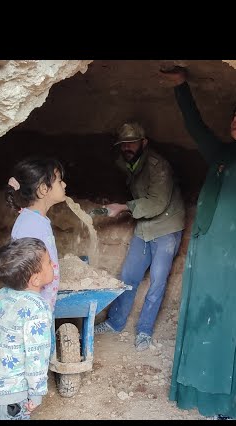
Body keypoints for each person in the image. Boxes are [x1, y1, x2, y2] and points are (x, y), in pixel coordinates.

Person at [160, 66, 236, 420]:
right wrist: (182, 88)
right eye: (235, 114)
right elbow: (196, 127)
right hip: (210, 248)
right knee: (206, 318)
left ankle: (230, 401)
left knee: (234, 319)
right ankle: (198, 389)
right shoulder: (221, 154)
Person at [94, 121, 186, 351]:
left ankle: (144, 330)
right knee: (128, 276)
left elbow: (157, 203)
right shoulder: (127, 162)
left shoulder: (158, 166)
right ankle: (115, 322)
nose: (127, 147)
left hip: (166, 226)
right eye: (123, 144)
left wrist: (123, 207)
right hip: (144, 226)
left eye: (132, 143)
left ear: (143, 143)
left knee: (157, 280)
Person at [0, 237, 55, 420]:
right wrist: (36, 392)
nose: (53, 264)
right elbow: (37, 355)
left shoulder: (1, 295)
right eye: (49, 262)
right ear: (35, 279)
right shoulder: (37, 308)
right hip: (12, 399)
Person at [7, 155, 67, 355]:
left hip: (38, 305)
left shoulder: (36, 220)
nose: (64, 184)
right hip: (31, 309)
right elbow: (24, 273)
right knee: (31, 353)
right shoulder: (31, 225)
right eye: (59, 181)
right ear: (43, 189)